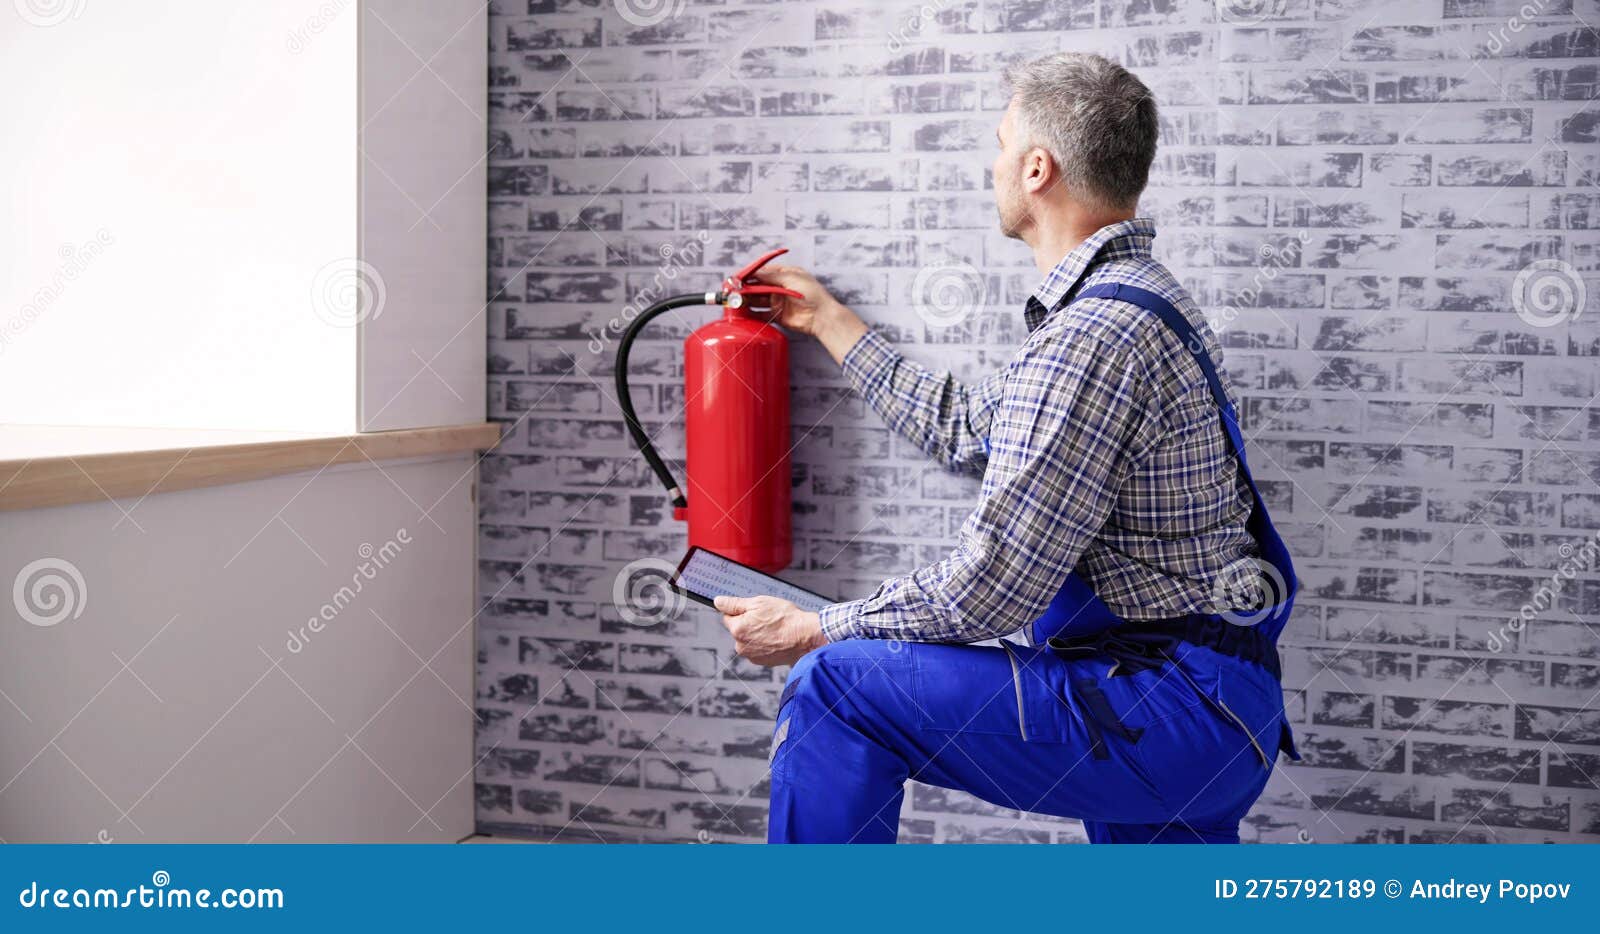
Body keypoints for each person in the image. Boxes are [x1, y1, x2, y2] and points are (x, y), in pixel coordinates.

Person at [712, 52, 1299, 844]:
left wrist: (817, 628)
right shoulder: (1141, 300)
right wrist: (825, 320)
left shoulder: (1088, 340)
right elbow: (968, 428)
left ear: (1035, 168)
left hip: (1165, 707)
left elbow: (992, 590)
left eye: (998, 144)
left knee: (836, 687)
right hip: (1214, 701)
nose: (989, 165)